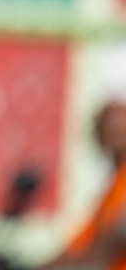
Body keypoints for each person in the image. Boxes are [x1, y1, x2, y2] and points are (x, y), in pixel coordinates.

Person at [43, 101, 126, 270]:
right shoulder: (114, 189)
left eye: (118, 125)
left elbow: (114, 241)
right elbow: (84, 243)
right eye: (108, 125)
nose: (114, 130)